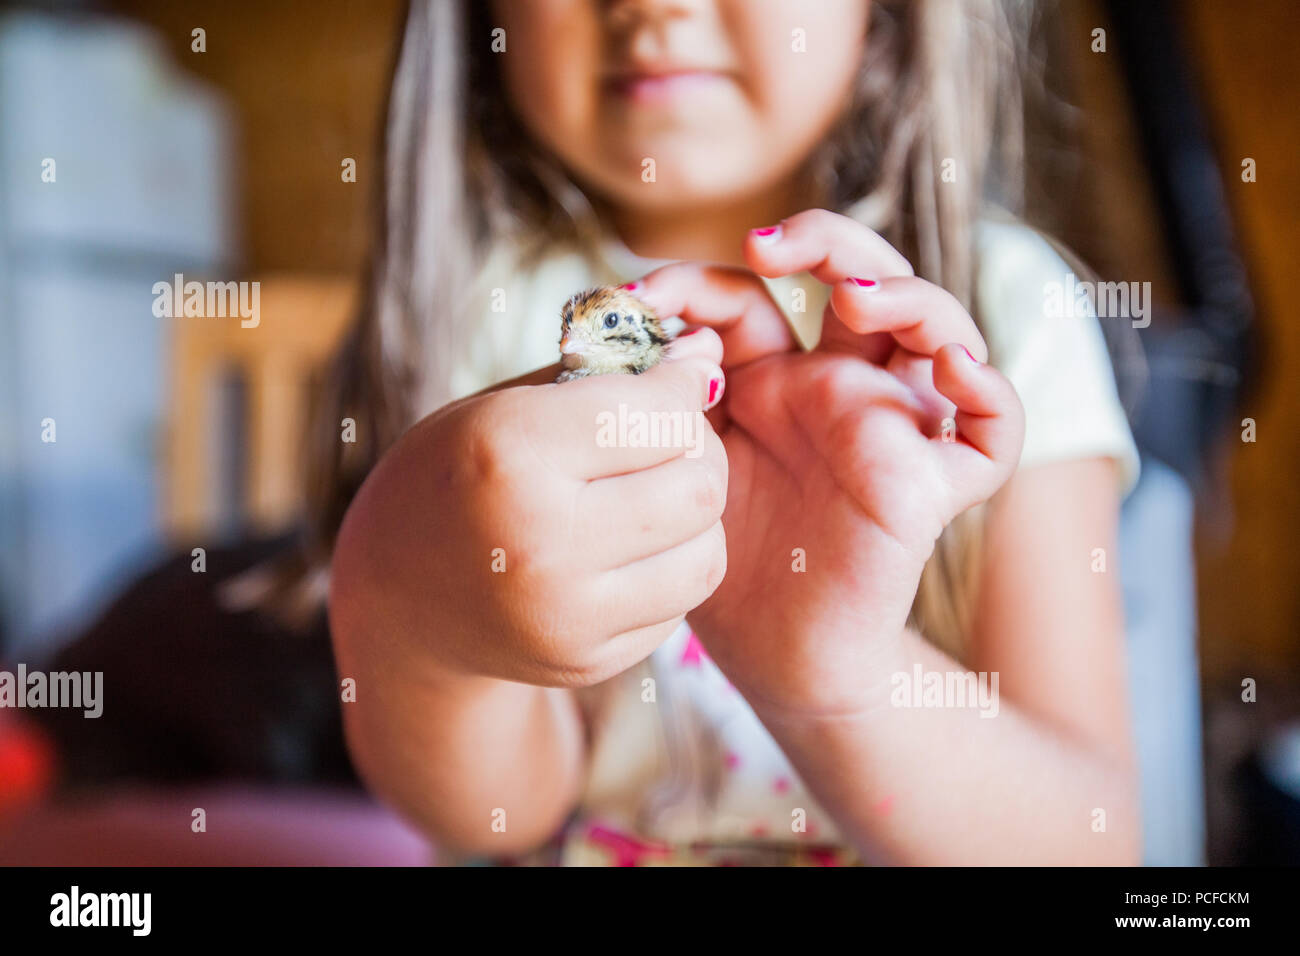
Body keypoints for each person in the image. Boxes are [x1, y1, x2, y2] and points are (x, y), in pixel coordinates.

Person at [321, 0, 1141, 865]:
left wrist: (837, 675)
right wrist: (396, 601)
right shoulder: (472, 312)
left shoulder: (1007, 314)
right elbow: (504, 815)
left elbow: (1088, 846)